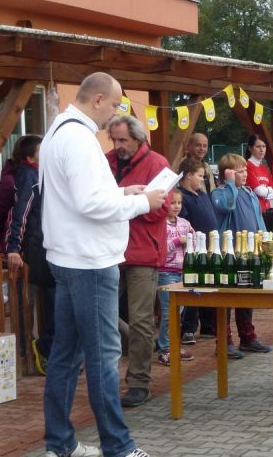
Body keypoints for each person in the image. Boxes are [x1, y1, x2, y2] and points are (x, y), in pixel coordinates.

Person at [40, 71, 165, 457]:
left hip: (67, 256)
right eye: (114, 104)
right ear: (96, 99)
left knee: (66, 355)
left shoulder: (57, 130)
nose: (116, 113)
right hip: (90, 262)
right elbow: (89, 204)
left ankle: (60, 444)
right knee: (103, 358)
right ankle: (118, 446)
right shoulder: (80, 139)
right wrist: (143, 202)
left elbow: (80, 195)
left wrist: (121, 192)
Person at [105, 115, 171, 408]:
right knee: (101, 313)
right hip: (108, 250)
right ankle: (108, 376)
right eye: (114, 139)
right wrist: (131, 201)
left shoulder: (157, 164)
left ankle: (139, 382)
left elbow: (161, 209)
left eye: (123, 140)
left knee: (141, 318)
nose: (117, 145)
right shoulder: (105, 161)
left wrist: (126, 204)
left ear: (138, 138)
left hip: (142, 252)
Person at [3, 134, 56, 375]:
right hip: (37, 246)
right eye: (42, 150)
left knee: (54, 300)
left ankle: (48, 348)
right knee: (55, 298)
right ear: (30, 156)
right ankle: (43, 348)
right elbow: (21, 212)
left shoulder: (40, 174)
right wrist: (14, 247)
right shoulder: (29, 176)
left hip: (46, 244)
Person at [211, 153, 272, 354]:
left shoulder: (249, 192)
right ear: (227, 174)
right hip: (228, 254)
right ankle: (224, 341)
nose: (244, 174)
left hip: (249, 253)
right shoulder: (219, 193)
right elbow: (227, 205)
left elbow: (258, 219)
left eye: (245, 170)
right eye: (239, 171)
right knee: (226, 297)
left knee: (247, 294)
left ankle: (247, 337)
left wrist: (264, 240)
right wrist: (230, 184)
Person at [177, 158, 224, 351]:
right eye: (200, 176)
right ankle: (188, 328)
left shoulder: (203, 195)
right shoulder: (183, 198)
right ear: (189, 176)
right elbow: (183, 224)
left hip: (210, 247)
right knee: (193, 288)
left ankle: (208, 325)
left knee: (209, 285)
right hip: (194, 249)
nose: (203, 180)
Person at [156, 188, 195, 366]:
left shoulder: (185, 223)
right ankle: (165, 348)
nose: (176, 206)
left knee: (178, 311)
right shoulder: (160, 224)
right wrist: (178, 241)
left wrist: (193, 240)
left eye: (179, 202)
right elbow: (160, 249)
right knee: (168, 312)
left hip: (183, 272)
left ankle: (174, 345)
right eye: (172, 203)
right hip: (166, 272)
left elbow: (195, 240)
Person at [0, 135, 34, 252]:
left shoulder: (34, 177)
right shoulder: (10, 183)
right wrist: (3, 241)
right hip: (19, 246)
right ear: (29, 157)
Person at [245, 134, 273, 232]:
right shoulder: (247, 166)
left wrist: (265, 192)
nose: (262, 150)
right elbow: (259, 191)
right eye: (258, 146)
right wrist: (268, 191)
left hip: (266, 212)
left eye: (264, 146)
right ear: (250, 148)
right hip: (253, 213)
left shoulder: (264, 168)